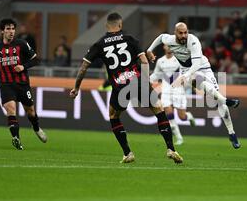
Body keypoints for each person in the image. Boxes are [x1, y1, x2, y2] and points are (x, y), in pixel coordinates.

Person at [69, 12, 183, 164]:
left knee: (113, 116)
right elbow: (143, 60)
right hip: (137, 80)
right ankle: (171, 149)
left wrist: (76, 87)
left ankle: (127, 153)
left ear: (106, 26)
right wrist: (145, 81)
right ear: (120, 24)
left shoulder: (99, 44)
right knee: (158, 109)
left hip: (119, 85)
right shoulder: (130, 39)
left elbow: (83, 68)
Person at [146, 22, 241, 149]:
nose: (184, 35)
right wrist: (149, 50)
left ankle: (231, 132)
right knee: (199, 81)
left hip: (202, 66)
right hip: (188, 71)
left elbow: (196, 65)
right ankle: (225, 100)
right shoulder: (169, 40)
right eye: (181, 33)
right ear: (175, 33)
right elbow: (161, 37)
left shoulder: (193, 41)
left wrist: (183, 77)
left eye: (186, 32)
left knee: (218, 102)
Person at [0, 18, 47, 150]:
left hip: (22, 84)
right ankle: (16, 138)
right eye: (8, 29)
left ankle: (36, 128)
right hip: (6, 83)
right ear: (2, 31)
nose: (11, 31)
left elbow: (36, 60)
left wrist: (23, 67)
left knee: (30, 111)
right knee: (11, 109)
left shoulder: (22, 44)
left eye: (13, 28)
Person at [150, 44, 196, 145]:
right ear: (164, 47)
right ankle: (179, 138)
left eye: (171, 46)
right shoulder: (160, 61)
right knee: (169, 115)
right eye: (167, 46)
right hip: (166, 91)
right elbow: (156, 74)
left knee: (182, 117)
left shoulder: (179, 59)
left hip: (178, 90)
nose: (169, 48)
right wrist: (147, 80)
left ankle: (189, 116)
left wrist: (189, 80)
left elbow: (187, 71)